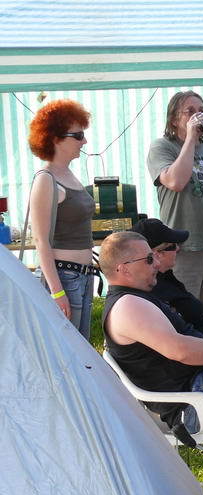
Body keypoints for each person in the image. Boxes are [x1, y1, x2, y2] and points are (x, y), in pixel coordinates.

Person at [100, 231, 203, 443]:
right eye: (149, 259)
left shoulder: (138, 298)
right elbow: (181, 351)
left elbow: (189, 337)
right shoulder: (128, 305)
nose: (157, 263)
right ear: (124, 269)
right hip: (194, 405)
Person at [147, 91, 203, 314]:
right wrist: (189, 138)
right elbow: (176, 182)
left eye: (201, 111)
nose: (198, 116)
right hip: (183, 251)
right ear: (174, 119)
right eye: (189, 111)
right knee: (185, 316)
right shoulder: (162, 147)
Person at [28, 99, 99, 340]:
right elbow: (41, 241)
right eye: (78, 136)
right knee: (68, 348)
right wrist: (57, 292)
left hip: (83, 275)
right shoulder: (45, 179)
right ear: (56, 138)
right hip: (65, 277)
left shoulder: (67, 174)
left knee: (81, 347)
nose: (84, 142)